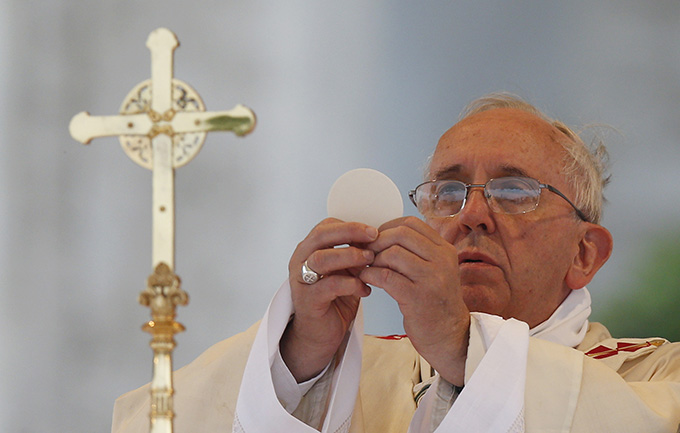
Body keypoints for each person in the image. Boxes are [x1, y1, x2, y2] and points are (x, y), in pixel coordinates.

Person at [112, 93, 680, 433]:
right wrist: (300, 355)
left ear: (585, 254)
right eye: (448, 192)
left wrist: (462, 345)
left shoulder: (654, 381)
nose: (472, 215)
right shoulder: (352, 370)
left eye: (514, 190)